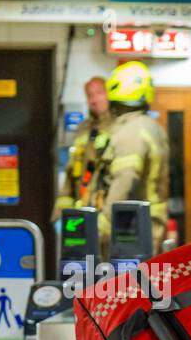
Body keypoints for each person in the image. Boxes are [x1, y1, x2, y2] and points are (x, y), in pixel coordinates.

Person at [97, 61, 169, 252]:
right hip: (148, 227)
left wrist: (100, 228)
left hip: (131, 229)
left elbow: (125, 180)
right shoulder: (151, 127)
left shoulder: (132, 131)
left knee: (127, 282)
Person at [52, 76, 112, 220]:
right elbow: (71, 173)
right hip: (83, 208)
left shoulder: (119, 126)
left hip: (108, 210)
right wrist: (60, 212)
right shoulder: (83, 129)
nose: (94, 100)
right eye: (90, 95)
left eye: (99, 93)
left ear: (108, 94)